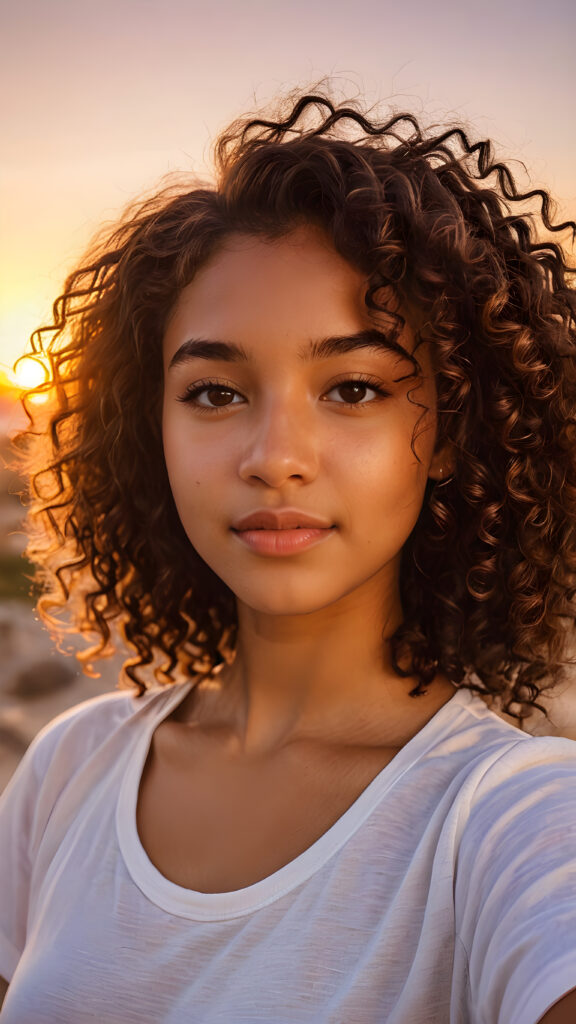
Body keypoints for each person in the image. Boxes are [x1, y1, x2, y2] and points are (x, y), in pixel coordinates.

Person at [1, 84, 575, 1023]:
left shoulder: (516, 822)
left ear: (452, 434)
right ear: (151, 430)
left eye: (352, 388)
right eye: (216, 393)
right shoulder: (71, 769)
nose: (274, 459)